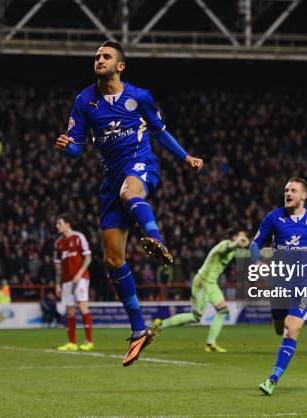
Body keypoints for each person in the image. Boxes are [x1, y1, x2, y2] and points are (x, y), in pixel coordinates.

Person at [54, 41, 203, 366]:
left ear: (120, 65)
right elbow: (77, 150)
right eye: (96, 56)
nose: (99, 60)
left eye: (105, 56)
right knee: (112, 259)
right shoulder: (84, 101)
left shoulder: (140, 96)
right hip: (110, 180)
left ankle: (157, 240)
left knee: (129, 192)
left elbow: (160, 132)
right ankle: (139, 331)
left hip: (140, 164)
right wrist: (65, 146)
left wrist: (185, 156)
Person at [249, 177, 307, 396]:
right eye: (286, 190)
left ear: (303, 195)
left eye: (293, 190)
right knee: (279, 325)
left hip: (306, 282)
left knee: (291, 328)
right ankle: (280, 328)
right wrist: (257, 263)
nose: (288, 193)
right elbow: (255, 244)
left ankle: (272, 379)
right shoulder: (273, 218)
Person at [153, 227, 250, 352]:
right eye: (241, 236)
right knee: (196, 317)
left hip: (211, 283)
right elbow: (226, 249)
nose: (244, 239)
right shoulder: (224, 244)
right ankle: (160, 324)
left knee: (223, 312)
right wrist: (237, 243)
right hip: (203, 282)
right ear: (234, 237)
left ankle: (211, 343)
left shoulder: (235, 250)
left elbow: (249, 255)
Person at [54, 213, 94, 351]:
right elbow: (58, 266)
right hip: (66, 281)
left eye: (59, 223)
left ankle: (89, 341)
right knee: (69, 310)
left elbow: (88, 258)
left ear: (68, 224)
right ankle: (72, 342)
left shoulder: (78, 237)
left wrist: (79, 273)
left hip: (80, 278)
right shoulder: (58, 243)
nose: (57, 226)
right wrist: (57, 283)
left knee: (82, 306)